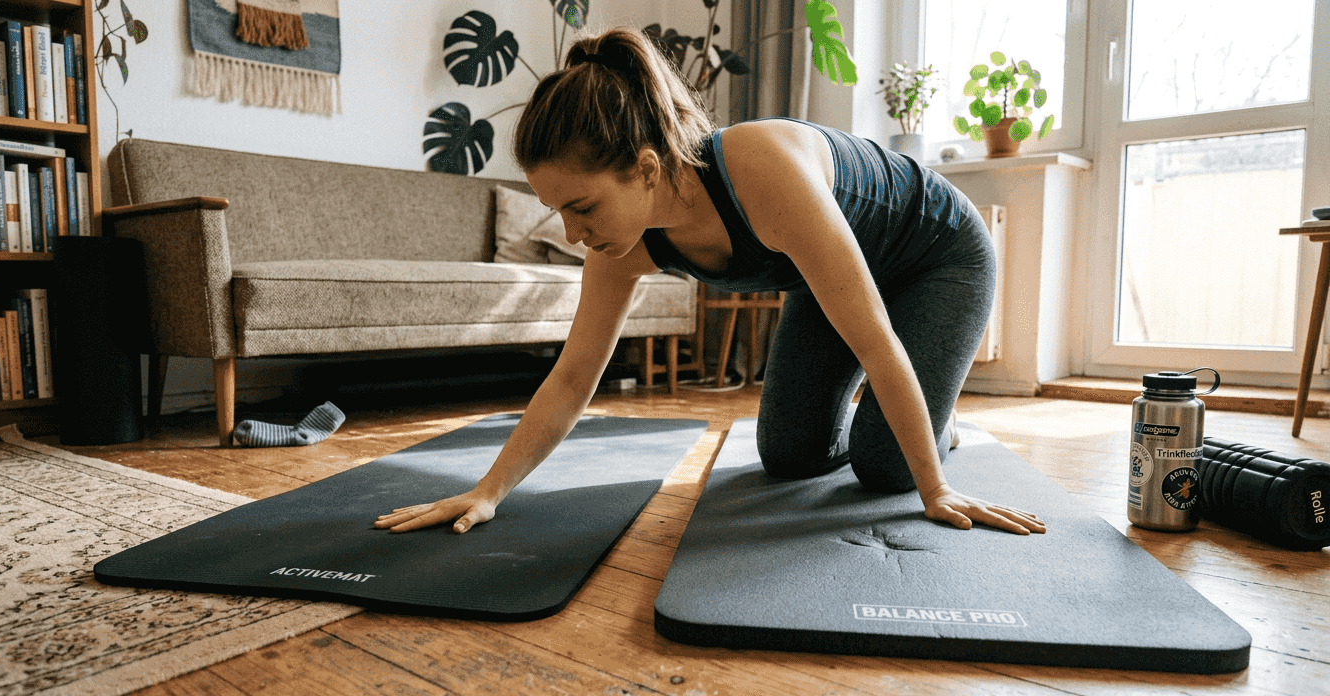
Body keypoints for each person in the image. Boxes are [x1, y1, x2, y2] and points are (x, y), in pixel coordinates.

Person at [376, 28, 1044, 537]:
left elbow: (873, 340)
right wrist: (489, 490)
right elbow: (574, 377)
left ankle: (937, 420)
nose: (574, 235)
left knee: (885, 468)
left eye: (581, 208)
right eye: (559, 212)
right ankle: (919, 408)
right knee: (787, 455)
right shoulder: (622, 246)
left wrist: (934, 492)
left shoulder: (764, 172)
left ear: (644, 168)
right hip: (834, 278)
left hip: (937, 254)